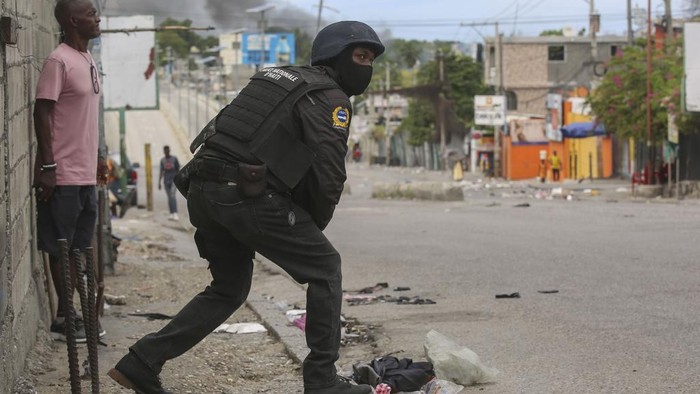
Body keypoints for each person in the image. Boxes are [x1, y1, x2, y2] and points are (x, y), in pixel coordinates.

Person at [108, 21, 385, 394]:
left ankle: (141, 361)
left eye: (370, 59)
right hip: (243, 194)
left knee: (230, 288)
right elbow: (328, 173)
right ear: (334, 57)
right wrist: (310, 228)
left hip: (204, 188)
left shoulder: (274, 78)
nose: (366, 66)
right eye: (360, 56)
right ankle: (322, 381)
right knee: (325, 267)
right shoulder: (331, 98)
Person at [33, 0, 104, 342]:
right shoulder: (58, 60)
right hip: (61, 175)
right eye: (92, 13)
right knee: (59, 246)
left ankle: (75, 312)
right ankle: (66, 314)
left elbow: (85, 118)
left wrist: (98, 158)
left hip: (86, 174)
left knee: (77, 247)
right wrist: (48, 166)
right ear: (74, 20)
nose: (97, 17)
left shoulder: (87, 59)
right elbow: (42, 113)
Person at [158, 145, 181, 220]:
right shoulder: (162, 160)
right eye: (165, 151)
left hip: (174, 180)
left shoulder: (174, 159)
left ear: (169, 151)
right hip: (166, 181)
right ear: (164, 152)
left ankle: (175, 213)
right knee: (169, 197)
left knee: (172, 195)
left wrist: (179, 179)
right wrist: (159, 182)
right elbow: (161, 171)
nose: (167, 152)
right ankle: (171, 213)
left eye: (168, 150)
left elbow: (178, 170)